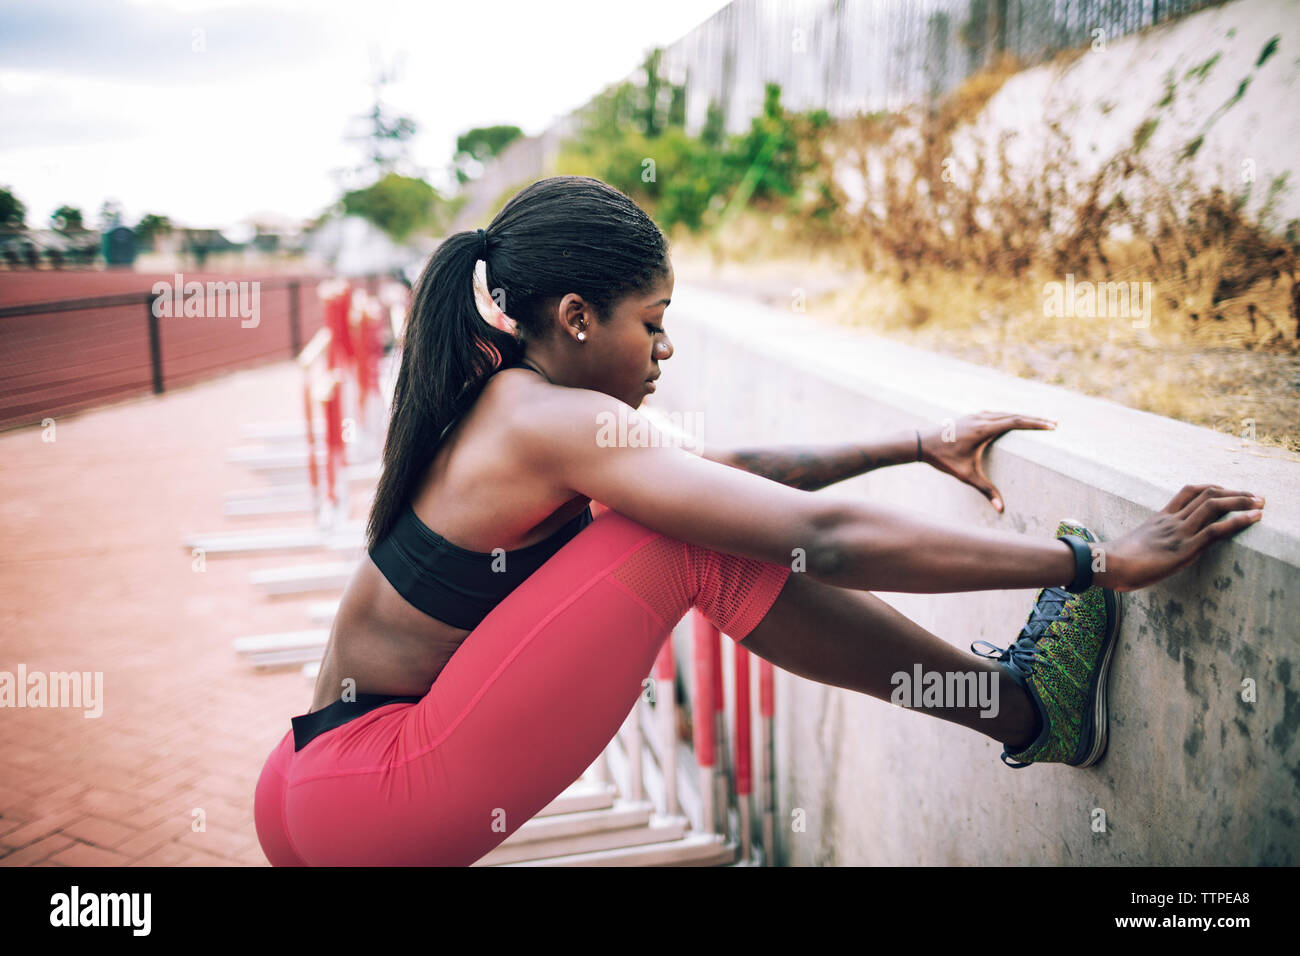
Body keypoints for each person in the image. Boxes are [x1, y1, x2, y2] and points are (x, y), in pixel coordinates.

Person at [254, 175, 1265, 866]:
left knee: (683, 526)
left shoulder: (509, 398)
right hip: (382, 787)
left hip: (301, 792)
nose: (664, 350)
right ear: (574, 317)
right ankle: (1026, 704)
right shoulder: (547, 421)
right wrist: (1091, 565)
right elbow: (805, 535)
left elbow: (717, 476)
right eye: (651, 322)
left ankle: (1019, 702)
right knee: (677, 544)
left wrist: (911, 444)